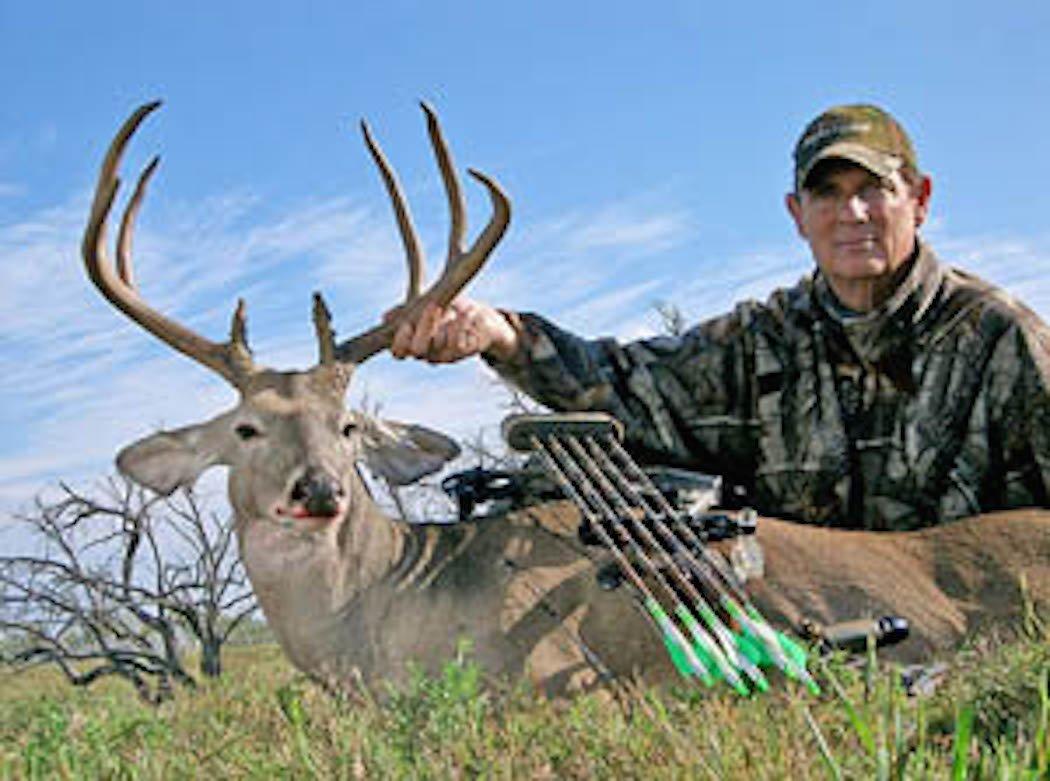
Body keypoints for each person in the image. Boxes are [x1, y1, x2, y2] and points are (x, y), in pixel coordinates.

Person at [390, 104, 1050, 530]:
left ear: (920, 199)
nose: (851, 215)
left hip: (985, 640)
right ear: (797, 214)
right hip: (821, 649)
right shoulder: (760, 343)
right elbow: (623, 382)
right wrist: (500, 332)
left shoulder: (1002, 338)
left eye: (873, 189)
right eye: (828, 193)